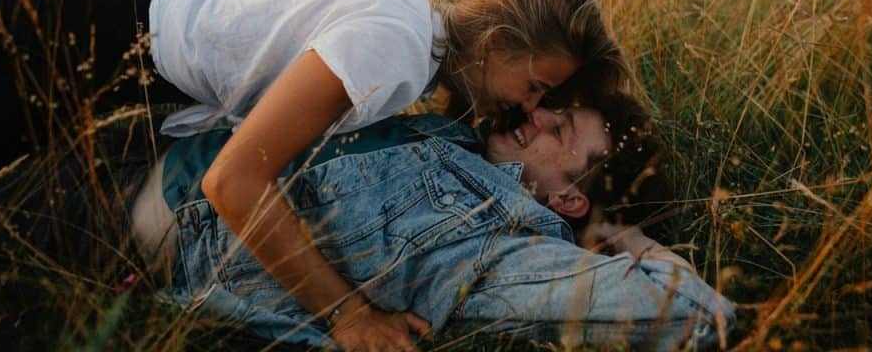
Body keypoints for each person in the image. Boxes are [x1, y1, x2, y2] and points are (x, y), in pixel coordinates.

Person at [0, 0, 631, 349]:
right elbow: (233, 181)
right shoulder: (391, 46)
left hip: (112, 51)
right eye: (534, 86)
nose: (528, 106)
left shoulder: (415, 38)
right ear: (493, 42)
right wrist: (349, 315)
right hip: (56, 30)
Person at [134, 93, 735, 351]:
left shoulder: (500, 239)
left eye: (558, 131)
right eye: (551, 108)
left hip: (162, 217)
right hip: (157, 140)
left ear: (571, 200)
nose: (536, 114)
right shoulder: (461, 136)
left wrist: (626, 239)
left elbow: (699, 316)